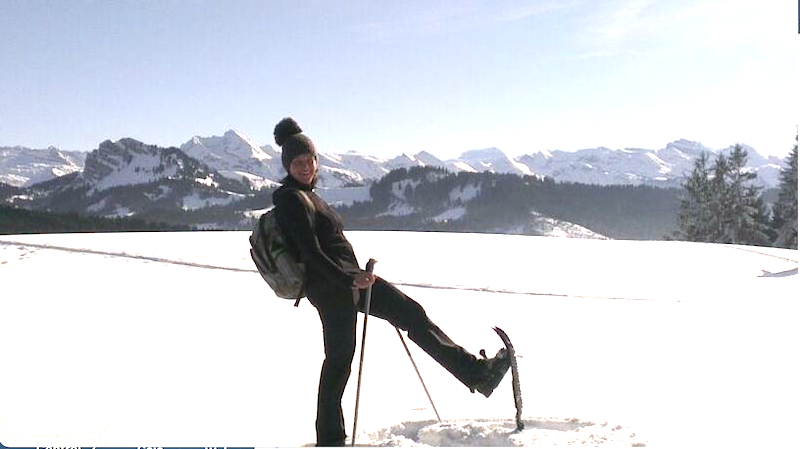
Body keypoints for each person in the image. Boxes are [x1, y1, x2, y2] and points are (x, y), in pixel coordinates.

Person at [271, 117, 510, 447]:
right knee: (339, 362)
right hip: (331, 289)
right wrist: (347, 279)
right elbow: (310, 253)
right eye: (298, 162)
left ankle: (477, 374)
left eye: (309, 160)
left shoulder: (309, 196)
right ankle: (329, 439)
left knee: (411, 314)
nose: (306, 167)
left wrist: (354, 277)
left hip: (352, 282)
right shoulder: (290, 199)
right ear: (287, 165)